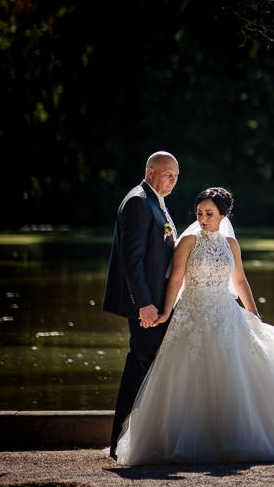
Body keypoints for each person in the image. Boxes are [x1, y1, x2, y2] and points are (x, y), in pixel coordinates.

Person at [114, 187, 274, 465]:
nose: (203, 218)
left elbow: (240, 281)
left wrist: (255, 315)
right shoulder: (188, 241)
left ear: (223, 215)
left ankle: (244, 438)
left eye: (209, 213)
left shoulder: (231, 244)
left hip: (226, 311)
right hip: (192, 312)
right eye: (200, 213)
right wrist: (166, 312)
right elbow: (175, 280)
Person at [102, 151, 180, 458]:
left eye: (176, 176)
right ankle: (145, 444)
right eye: (167, 175)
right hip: (146, 306)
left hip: (156, 303)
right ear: (150, 172)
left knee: (138, 369)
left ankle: (120, 442)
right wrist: (144, 305)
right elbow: (131, 261)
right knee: (149, 371)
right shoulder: (137, 201)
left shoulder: (154, 200)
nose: (173, 180)